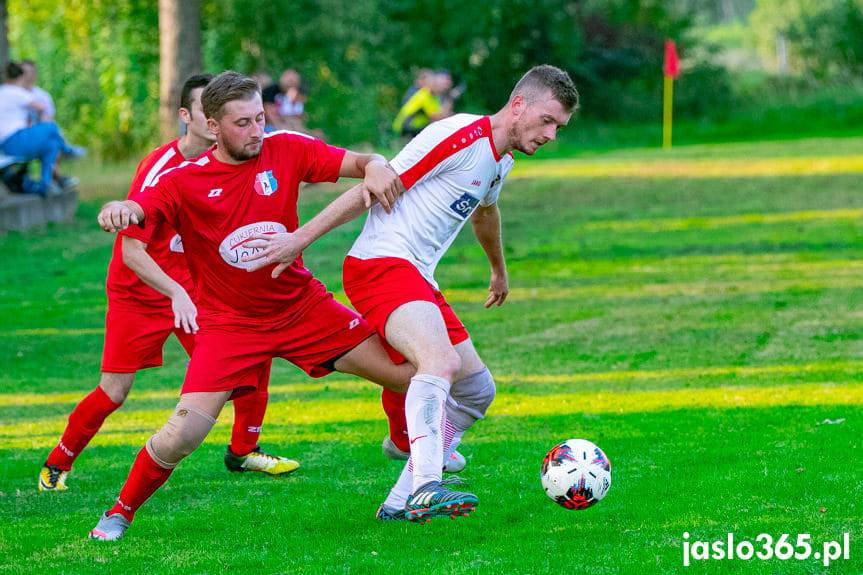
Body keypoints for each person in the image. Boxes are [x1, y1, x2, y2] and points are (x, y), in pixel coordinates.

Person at [89, 71, 426, 541]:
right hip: (230, 327)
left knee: (412, 375)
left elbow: (362, 162)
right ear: (212, 125)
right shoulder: (183, 181)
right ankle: (119, 513)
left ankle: (405, 448)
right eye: (243, 123)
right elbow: (136, 211)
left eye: (260, 118)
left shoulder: (286, 148)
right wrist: (117, 208)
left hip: (303, 309)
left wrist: (375, 165)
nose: (256, 131)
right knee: (181, 435)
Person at [243, 64, 578, 522]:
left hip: (417, 276)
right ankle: (426, 482)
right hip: (381, 264)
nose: (551, 135)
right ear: (518, 104)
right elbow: (374, 186)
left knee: (478, 390)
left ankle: (402, 493)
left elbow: (486, 214)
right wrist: (298, 238)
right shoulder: (460, 135)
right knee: (440, 362)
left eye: (558, 127)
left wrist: (498, 270)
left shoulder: (500, 159)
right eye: (548, 121)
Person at [38, 74, 297, 494]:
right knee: (115, 390)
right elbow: (131, 252)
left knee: (250, 356)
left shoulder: (235, 161)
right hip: (140, 291)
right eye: (206, 112)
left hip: (192, 291)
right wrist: (175, 291)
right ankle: (58, 462)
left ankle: (243, 450)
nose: (218, 120)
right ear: (190, 117)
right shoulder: (161, 169)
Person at [0, 61, 83, 195]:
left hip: (11, 142)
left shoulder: (4, 91)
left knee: (51, 144)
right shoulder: (15, 91)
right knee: (50, 127)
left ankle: (46, 184)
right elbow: (42, 108)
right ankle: (67, 149)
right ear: (20, 77)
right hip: (14, 141)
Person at [391, 69, 454, 139]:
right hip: (406, 128)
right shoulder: (424, 94)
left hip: (415, 128)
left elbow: (441, 114)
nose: (439, 87)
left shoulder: (433, 97)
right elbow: (437, 117)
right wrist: (451, 99)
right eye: (435, 84)